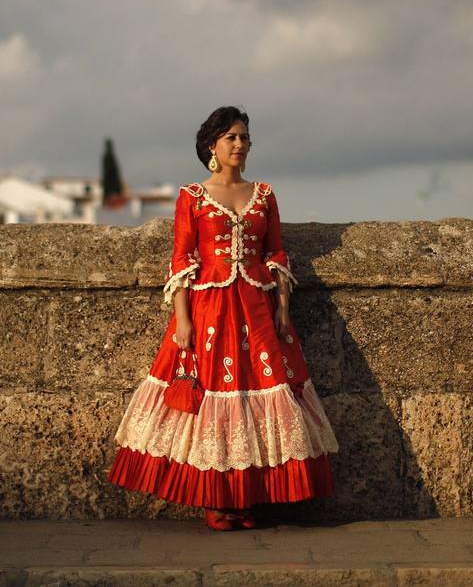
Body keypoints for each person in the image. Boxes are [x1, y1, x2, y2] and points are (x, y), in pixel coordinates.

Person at [108, 106, 338, 530]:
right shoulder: (192, 197)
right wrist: (182, 320)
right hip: (209, 310)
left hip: (257, 307)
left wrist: (284, 307)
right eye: (231, 137)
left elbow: (275, 253)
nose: (240, 144)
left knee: (259, 395)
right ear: (212, 145)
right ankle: (217, 501)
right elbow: (183, 258)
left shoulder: (264, 194)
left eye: (245, 137)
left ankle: (246, 498)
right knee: (212, 399)